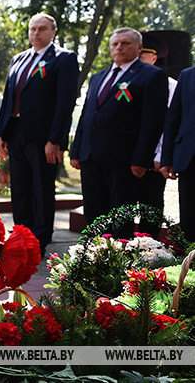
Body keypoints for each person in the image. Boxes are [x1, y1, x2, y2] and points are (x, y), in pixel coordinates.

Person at [70, 28, 168, 237]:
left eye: (125, 43)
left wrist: (142, 159)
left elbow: (153, 122)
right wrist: (76, 150)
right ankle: (95, 262)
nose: (119, 48)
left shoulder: (152, 76)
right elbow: (88, 116)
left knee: (120, 219)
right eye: (115, 44)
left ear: (139, 47)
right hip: (91, 158)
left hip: (124, 162)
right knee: (94, 217)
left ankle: (118, 265)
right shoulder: (99, 76)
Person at [0, 13, 78, 256]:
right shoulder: (18, 59)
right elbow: (8, 99)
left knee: (42, 188)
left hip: (43, 137)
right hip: (16, 133)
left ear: (53, 32)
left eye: (42, 29)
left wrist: (56, 140)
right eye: (32, 29)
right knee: (19, 188)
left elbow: (65, 103)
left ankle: (40, 239)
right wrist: (1, 134)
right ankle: (21, 233)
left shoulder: (63, 59)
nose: (36, 33)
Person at [137, 31, 175, 220]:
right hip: (124, 157)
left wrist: (161, 155)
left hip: (153, 161)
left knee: (150, 207)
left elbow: (169, 123)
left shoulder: (170, 86)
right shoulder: (123, 82)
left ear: (153, 58)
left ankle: (149, 247)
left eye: (141, 57)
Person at [161, 64, 195, 241]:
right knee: (189, 222)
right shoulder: (187, 75)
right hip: (190, 161)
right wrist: (166, 158)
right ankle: (190, 265)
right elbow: (174, 118)